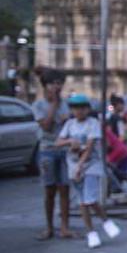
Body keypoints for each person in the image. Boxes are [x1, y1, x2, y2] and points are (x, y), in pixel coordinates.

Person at [55, 94, 121, 249]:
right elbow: (58, 142)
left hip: (91, 165)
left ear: (87, 109)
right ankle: (91, 233)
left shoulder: (93, 123)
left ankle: (106, 221)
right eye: (75, 108)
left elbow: (90, 146)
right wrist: (70, 141)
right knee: (82, 202)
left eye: (82, 108)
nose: (79, 111)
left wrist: (80, 166)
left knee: (89, 199)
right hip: (73, 164)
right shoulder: (70, 124)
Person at [31, 69, 73, 240]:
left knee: (65, 189)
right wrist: (54, 105)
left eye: (60, 83)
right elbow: (46, 126)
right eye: (54, 83)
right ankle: (49, 227)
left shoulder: (67, 104)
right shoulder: (39, 105)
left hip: (64, 151)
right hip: (47, 150)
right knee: (49, 191)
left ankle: (64, 227)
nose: (58, 86)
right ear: (45, 86)